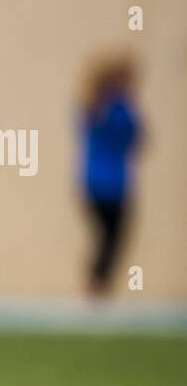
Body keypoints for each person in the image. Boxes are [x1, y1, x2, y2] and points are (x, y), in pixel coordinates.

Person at [78, 54, 142, 296]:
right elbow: (135, 136)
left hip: (92, 182)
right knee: (111, 237)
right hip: (112, 184)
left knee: (106, 237)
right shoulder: (118, 107)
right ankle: (96, 285)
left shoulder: (92, 104)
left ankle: (95, 283)